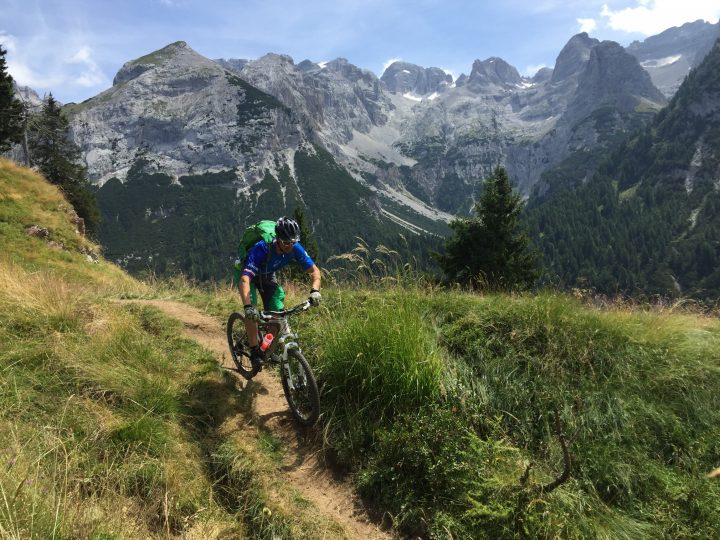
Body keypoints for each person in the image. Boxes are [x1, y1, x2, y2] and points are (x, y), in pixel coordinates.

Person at [239, 217, 321, 370]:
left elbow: (315, 272)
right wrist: (248, 307)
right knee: (251, 310)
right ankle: (255, 351)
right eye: (286, 243)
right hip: (247, 274)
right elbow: (244, 279)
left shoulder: (295, 247)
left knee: (278, 314)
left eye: (293, 242)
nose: (290, 246)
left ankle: (266, 346)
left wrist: (315, 291)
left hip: (267, 274)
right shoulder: (262, 248)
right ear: (278, 239)